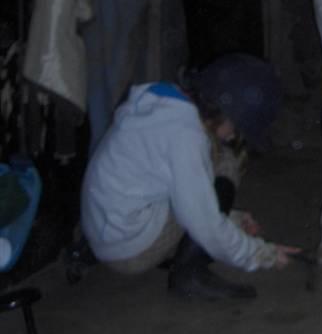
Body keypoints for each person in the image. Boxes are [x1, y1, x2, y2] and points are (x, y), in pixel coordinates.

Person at [81, 52, 300, 300]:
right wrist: (261, 254)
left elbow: (165, 178)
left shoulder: (164, 99)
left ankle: (184, 248)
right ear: (226, 112)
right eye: (237, 128)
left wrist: (231, 217)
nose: (232, 136)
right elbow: (205, 224)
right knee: (229, 162)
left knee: (214, 158)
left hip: (107, 228)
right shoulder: (186, 137)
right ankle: (189, 273)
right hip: (127, 250)